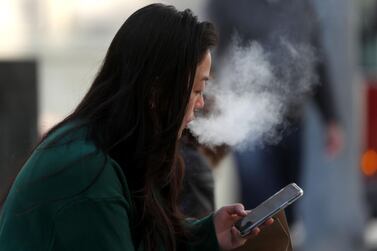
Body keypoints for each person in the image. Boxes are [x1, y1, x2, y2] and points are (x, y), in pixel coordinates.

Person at [0, 4, 274, 251]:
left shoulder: (114, 148)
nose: (201, 103)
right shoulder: (88, 174)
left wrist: (207, 234)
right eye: (196, 90)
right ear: (157, 92)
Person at [207, 0, 343, 224]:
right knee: (259, 206)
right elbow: (212, 50)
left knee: (287, 204)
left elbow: (317, 58)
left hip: (294, 119)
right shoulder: (228, 3)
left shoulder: (302, 5)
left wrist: (331, 118)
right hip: (249, 123)